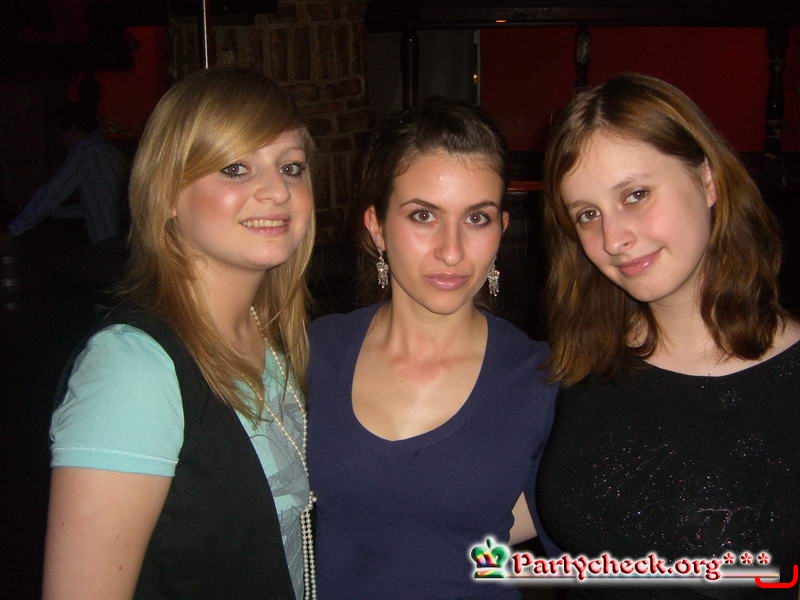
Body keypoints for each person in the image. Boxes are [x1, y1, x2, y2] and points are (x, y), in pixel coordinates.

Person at [42, 67, 317, 600]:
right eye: (235, 168)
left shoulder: (275, 338)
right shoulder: (132, 369)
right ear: (167, 193)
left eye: (291, 167)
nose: (277, 191)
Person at [533, 73, 800, 599]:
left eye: (635, 195)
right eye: (587, 215)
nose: (613, 238)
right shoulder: (579, 365)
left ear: (707, 180)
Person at [307, 97, 558, 599]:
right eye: (423, 215)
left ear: (502, 229)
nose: (451, 250)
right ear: (376, 226)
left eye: (477, 218)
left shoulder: (542, 378)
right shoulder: (313, 352)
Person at [9, 101, 129, 244]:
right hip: (122, 238)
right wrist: (54, 213)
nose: (60, 141)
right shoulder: (110, 150)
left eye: (60, 133)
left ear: (72, 129)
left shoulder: (85, 152)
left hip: (108, 240)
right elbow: (97, 205)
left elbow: (53, 193)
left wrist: (14, 229)